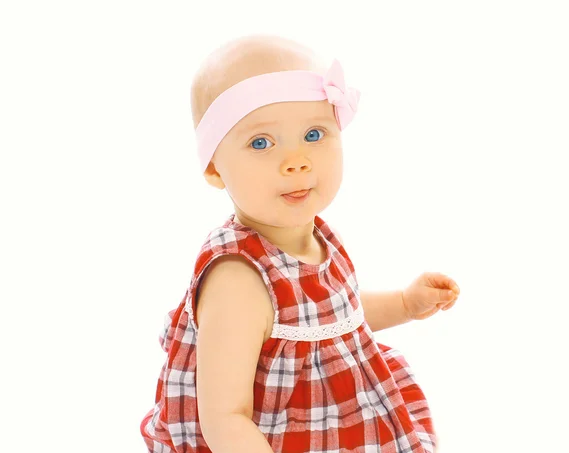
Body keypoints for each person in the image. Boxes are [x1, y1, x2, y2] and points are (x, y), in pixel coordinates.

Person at [140, 34, 460, 453]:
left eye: (313, 134)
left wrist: (404, 304)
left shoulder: (320, 237)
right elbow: (224, 419)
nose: (296, 161)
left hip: (339, 420)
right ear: (215, 168)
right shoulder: (238, 278)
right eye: (261, 143)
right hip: (275, 438)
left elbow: (333, 319)